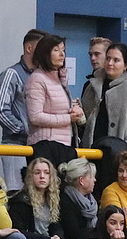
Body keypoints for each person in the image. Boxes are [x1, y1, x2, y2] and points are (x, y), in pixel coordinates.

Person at [0, 28, 47, 190]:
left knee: (38, 192)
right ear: (29, 48)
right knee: (16, 193)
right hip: (15, 145)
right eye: (42, 48)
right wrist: (24, 130)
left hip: (39, 145)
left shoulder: (44, 76)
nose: (46, 53)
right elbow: (1, 110)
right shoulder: (12, 74)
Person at [25, 33, 83, 169]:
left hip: (65, 145)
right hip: (45, 147)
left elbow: (57, 107)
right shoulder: (37, 79)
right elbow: (35, 116)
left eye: (63, 50)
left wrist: (75, 109)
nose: (62, 54)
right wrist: (68, 118)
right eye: (56, 50)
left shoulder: (60, 78)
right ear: (45, 54)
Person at [79, 42, 127, 150]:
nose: (110, 63)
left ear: (125, 65)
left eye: (116, 60)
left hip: (120, 151)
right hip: (90, 149)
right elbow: (84, 120)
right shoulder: (91, 86)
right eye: (108, 58)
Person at [8, 157, 65, 239]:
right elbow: (19, 231)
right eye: (37, 173)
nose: (42, 176)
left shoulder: (52, 199)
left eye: (46, 173)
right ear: (31, 176)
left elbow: (56, 225)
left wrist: (58, 237)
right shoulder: (21, 200)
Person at [58, 157, 98, 239]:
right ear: (81, 181)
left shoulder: (92, 201)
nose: (95, 180)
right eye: (92, 177)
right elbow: (73, 234)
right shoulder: (64, 201)